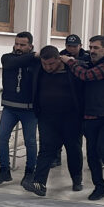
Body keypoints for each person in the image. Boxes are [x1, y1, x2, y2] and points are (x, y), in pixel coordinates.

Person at [61, 35, 104, 201]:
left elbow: (87, 75)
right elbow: (83, 68)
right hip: (90, 115)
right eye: (90, 48)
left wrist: (70, 61)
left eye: (96, 48)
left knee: (103, 149)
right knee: (91, 154)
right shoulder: (89, 63)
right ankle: (99, 187)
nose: (92, 51)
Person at [22, 45, 84, 197]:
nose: (48, 67)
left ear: (59, 59)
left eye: (51, 64)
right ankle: (39, 183)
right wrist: (35, 56)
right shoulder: (39, 68)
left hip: (71, 117)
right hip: (47, 117)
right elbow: (12, 61)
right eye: (45, 64)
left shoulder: (71, 69)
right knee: (46, 149)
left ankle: (77, 180)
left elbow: (86, 68)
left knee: (73, 148)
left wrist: (70, 61)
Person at [0, 31, 39, 187]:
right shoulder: (8, 58)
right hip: (10, 108)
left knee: (30, 142)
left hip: (30, 110)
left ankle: (30, 172)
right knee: (1, 137)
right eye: (16, 44)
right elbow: (11, 64)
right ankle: (4, 170)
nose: (18, 47)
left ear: (30, 46)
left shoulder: (36, 62)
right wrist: (34, 55)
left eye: (22, 45)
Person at [46, 34, 91, 169]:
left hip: (83, 101)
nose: (71, 49)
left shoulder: (87, 57)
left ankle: (95, 158)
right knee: (58, 135)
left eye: (74, 46)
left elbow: (89, 68)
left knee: (85, 135)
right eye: (68, 46)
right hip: (64, 101)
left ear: (80, 46)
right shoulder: (60, 56)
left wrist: (72, 61)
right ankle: (56, 157)